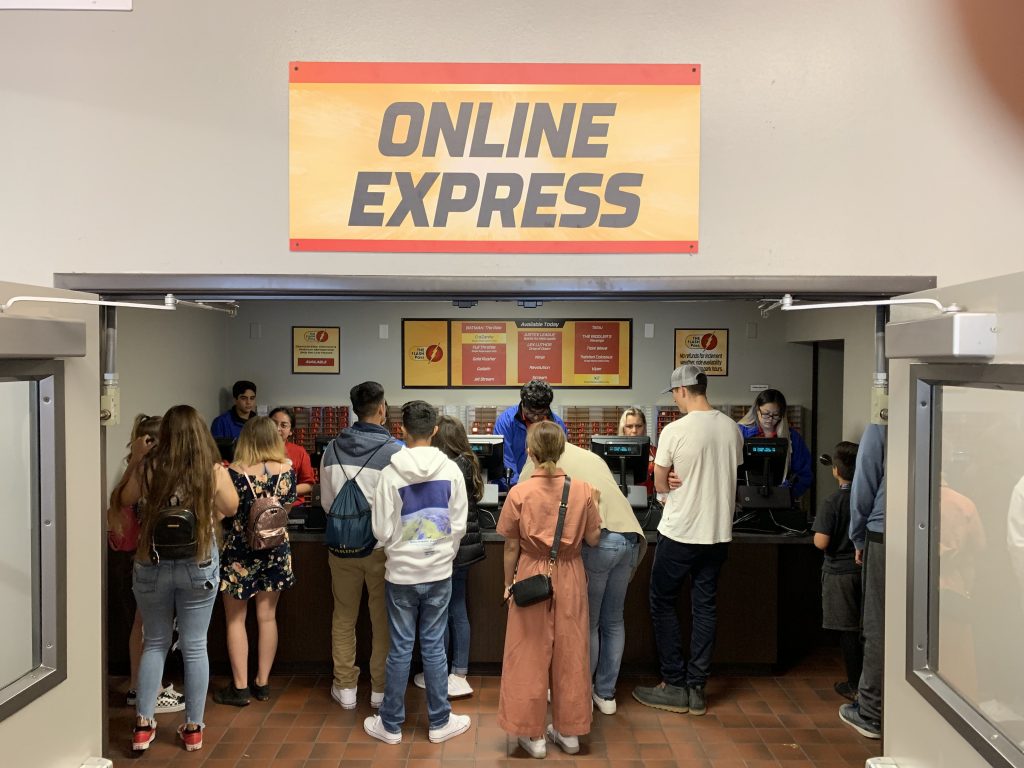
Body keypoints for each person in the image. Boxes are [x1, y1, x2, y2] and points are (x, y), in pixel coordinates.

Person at [115, 405, 239, 753]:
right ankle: (193, 728)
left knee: (154, 641)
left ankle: (143, 725)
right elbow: (231, 507)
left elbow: (124, 499)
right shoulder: (211, 470)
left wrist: (137, 459)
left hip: (151, 562)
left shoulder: (150, 467)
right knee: (195, 645)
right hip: (197, 562)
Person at [633, 364, 743, 716]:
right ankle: (697, 688)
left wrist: (670, 480)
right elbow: (730, 473)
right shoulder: (732, 428)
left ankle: (674, 684)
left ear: (682, 391)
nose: (675, 402)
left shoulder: (675, 430)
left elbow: (660, 483)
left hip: (680, 532)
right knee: (704, 606)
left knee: (662, 601)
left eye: (675, 396)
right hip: (718, 533)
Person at [363, 401, 471, 745]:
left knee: (400, 648)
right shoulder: (451, 470)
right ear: (435, 430)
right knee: (435, 647)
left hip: (401, 575)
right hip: (439, 572)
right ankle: (440, 722)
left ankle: (390, 725)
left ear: (402, 430)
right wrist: (442, 552)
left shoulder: (389, 474)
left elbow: (381, 531)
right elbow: (459, 525)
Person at [520, 438, 646, 717]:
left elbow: (523, 499)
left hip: (601, 542)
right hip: (630, 539)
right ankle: (606, 694)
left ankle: (581, 693)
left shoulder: (539, 457)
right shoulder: (590, 456)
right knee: (614, 620)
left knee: (587, 623)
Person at [498, 421, 602, 758]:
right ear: (561, 451)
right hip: (571, 574)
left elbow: (510, 546)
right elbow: (593, 539)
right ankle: (570, 733)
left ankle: (534, 736)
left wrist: (508, 583)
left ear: (530, 452)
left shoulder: (519, 493)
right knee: (572, 653)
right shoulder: (583, 490)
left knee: (528, 653)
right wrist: (595, 503)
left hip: (532, 574)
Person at [319, 381, 402, 710]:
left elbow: (327, 503)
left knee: (343, 616)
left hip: (341, 547)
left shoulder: (331, 449)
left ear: (355, 410)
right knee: (382, 620)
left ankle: (346, 688)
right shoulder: (395, 452)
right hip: (382, 549)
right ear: (382, 409)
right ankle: (379, 690)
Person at [107, 414, 187, 716]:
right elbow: (120, 501)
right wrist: (138, 462)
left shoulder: (137, 466)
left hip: (140, 555)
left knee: (144, 625)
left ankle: (139, 685)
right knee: (149, 629)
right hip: (143, 557)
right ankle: (146, 690)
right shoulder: (141, 469)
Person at [214, 416, 297, 707]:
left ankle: (240, 688)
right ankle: (262, 682)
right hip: (276, 550)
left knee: (235, 619)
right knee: (267, 617)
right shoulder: (287, 471)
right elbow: (285, 509)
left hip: (241, 551)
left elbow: (224, 512)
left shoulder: (233, 472)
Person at [413, 415, 486, 698]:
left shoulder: (445, 467)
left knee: (441, 612)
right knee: (457, 609)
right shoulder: (468, 462)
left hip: (447, 547)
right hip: (466, 547)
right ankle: (459, 672)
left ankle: (440, 673)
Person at [840, 422, 886, 739]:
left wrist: (857, 537)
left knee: (877, 623)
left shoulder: (880, 432)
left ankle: (870, 712)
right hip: (935, 527)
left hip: (884, 533)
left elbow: (863, 489)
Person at [812, 441, 862, 702]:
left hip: (839, 573)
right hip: (862, 571)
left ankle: (854, 684)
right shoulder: (867, 499)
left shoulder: (832, 502)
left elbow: (821, 541)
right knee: (863, 629)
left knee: (848, 631)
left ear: (836, 471)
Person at [737, 389, 813, 500]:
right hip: (745, 497)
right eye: (766, 414)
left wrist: (786, 495)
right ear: (757, 410)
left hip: (781, 498)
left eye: (776, 415)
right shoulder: (740, 432)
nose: (770, 419)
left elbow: (804, 473)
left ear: (782, 414)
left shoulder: (792, 437)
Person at [494, 378, 568, 490]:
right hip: (513, 486)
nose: (536, 417)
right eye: (531, 413)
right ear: (523, 404)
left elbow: (562, 458)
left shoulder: (557, 424)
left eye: (541, 413)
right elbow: (505, 459)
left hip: (548, 487)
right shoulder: (506, 421)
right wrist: (518, 487)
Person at [269, 406, 316, 501]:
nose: (277, 428)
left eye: (283, 425)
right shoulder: (257, 450)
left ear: (291, 431)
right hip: (264, 506)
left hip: (293, 506)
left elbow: (309, 485)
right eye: (273, 424)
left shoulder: (299, 452)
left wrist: (285, 491)